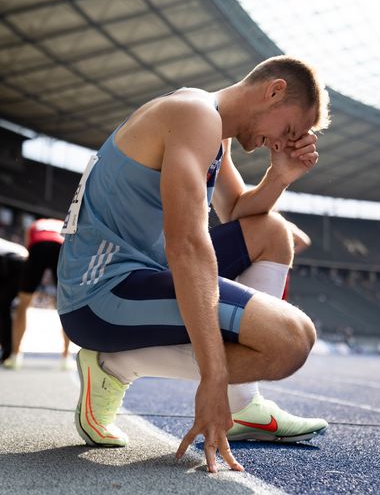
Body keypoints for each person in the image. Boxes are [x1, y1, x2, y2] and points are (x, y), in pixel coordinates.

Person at [57, 55, 330, 473]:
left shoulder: (211, 129)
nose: (281, 142)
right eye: (289, 131)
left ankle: (244, 406)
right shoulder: (194, 115)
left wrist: (281, 176)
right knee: (290, 340)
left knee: (271, 231)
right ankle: (112, 364)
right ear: (274, 91)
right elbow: (187, 244)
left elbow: (237, 209)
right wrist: (214, 376)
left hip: (143, 273)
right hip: (100, 295)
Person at [5, 218, 72, 369]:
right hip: (60, 247)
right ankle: (66, 358)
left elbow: (29, 245)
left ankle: (15, 356)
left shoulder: (35, 224)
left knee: (23, 304)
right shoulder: (63, 223)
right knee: (67, 306)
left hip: (38, 248)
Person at [0, 237, 28, 364]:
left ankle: (8, 350)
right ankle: (9, 351)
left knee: (3, 307)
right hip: (23, 260)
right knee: (5, 307)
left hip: (8, 261)